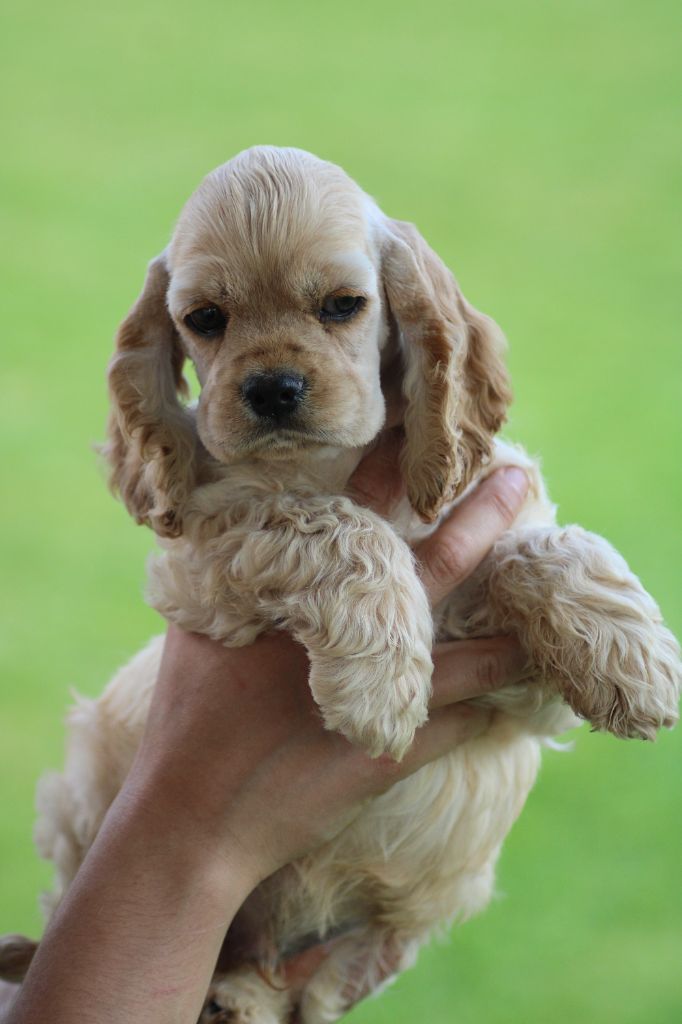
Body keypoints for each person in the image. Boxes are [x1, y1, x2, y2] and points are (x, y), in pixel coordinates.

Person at [2, 435, 530, 1024]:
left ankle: (256, 991)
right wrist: (193, 828)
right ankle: (246, 990)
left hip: (363, 905)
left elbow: (543, 704)